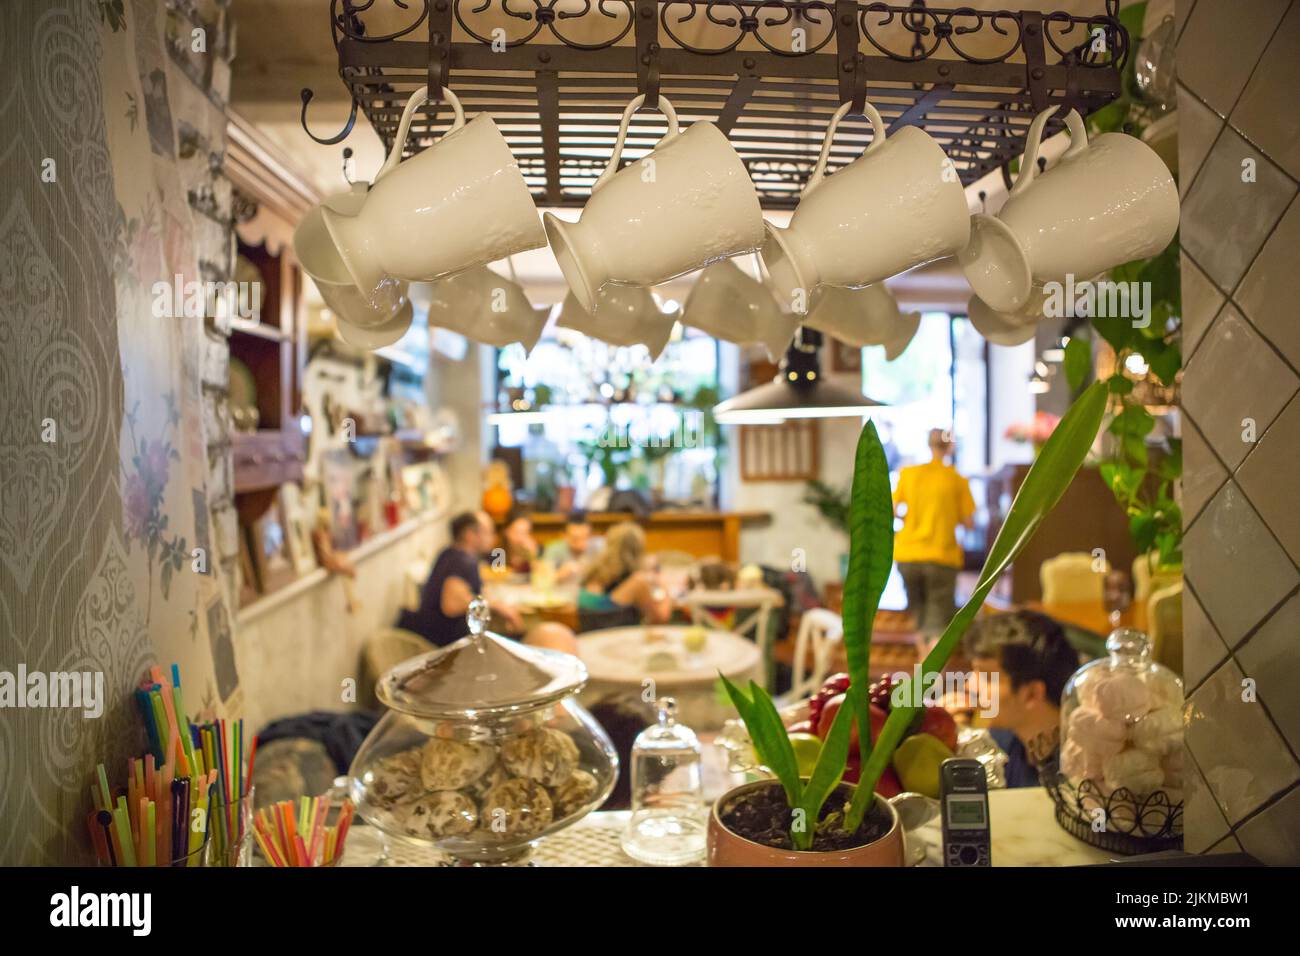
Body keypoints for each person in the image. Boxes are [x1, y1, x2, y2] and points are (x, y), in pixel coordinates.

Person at [963, 610, 1081, 787]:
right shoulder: (1002, 742)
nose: (970, 686)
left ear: (1032, 694)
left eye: (987, 678)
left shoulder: (1079, 778)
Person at [892, 428, 976, 638]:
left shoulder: (909, 474)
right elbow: (969, 522)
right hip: (941, 556)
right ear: (950, 447)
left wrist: (908, 520)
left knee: (918, 615)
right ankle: (930, 669)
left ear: (929, 444)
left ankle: (922, 664)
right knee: (938, 621)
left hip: (908, 555)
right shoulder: (957, 480)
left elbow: (891, 509)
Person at [397, 511, 522, 646]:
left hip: (430, 634)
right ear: (470, 535)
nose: (493, 537)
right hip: (440, 643)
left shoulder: (449, 553)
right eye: (488, 532)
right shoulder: (462, 561)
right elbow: (451, 606)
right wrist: (496, 606)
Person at [578, 522, 672, 626]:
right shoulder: (637, 581)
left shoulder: (596, 571)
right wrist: (662, 582)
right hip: (613, 636)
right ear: (638, 548)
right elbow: (662, 618)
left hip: (588, 635)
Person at [541, 511, 603, 582]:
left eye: (586, 537)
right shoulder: (554, 549)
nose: (581, 543)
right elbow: (543, 579)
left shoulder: (598, 547)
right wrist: (559, 575)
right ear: (564, 536)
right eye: (575, 539)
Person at [502, 508, 540, 574]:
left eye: (526, 533)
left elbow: (542, 577)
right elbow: (496, 578)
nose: (521, 539)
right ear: (507, 532)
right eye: (517, 532)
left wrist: (532, 556)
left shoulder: (534, 553)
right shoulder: (497, 552)